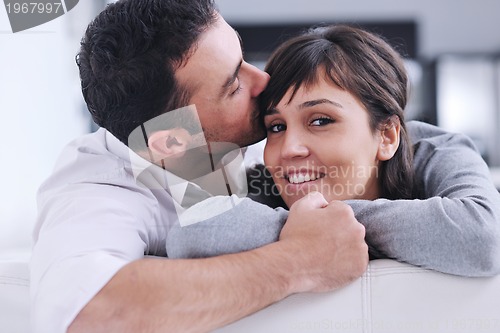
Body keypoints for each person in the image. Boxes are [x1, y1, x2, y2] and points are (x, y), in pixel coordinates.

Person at [31, 1, 368, 333]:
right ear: (172, 142)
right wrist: (300, 261)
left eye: (243, 58)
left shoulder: (247, 136)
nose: (263, 80)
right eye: (234, 85)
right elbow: (89, 313)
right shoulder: (98, 189)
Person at [166, 25, 500, 277]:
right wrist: (311, 232)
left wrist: (319, 226)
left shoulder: (437, 151)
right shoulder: (264, 184)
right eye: (277, 127)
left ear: (387, 136)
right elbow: (192, 235)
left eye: (321, 120)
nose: (290, 149)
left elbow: (482, 240)